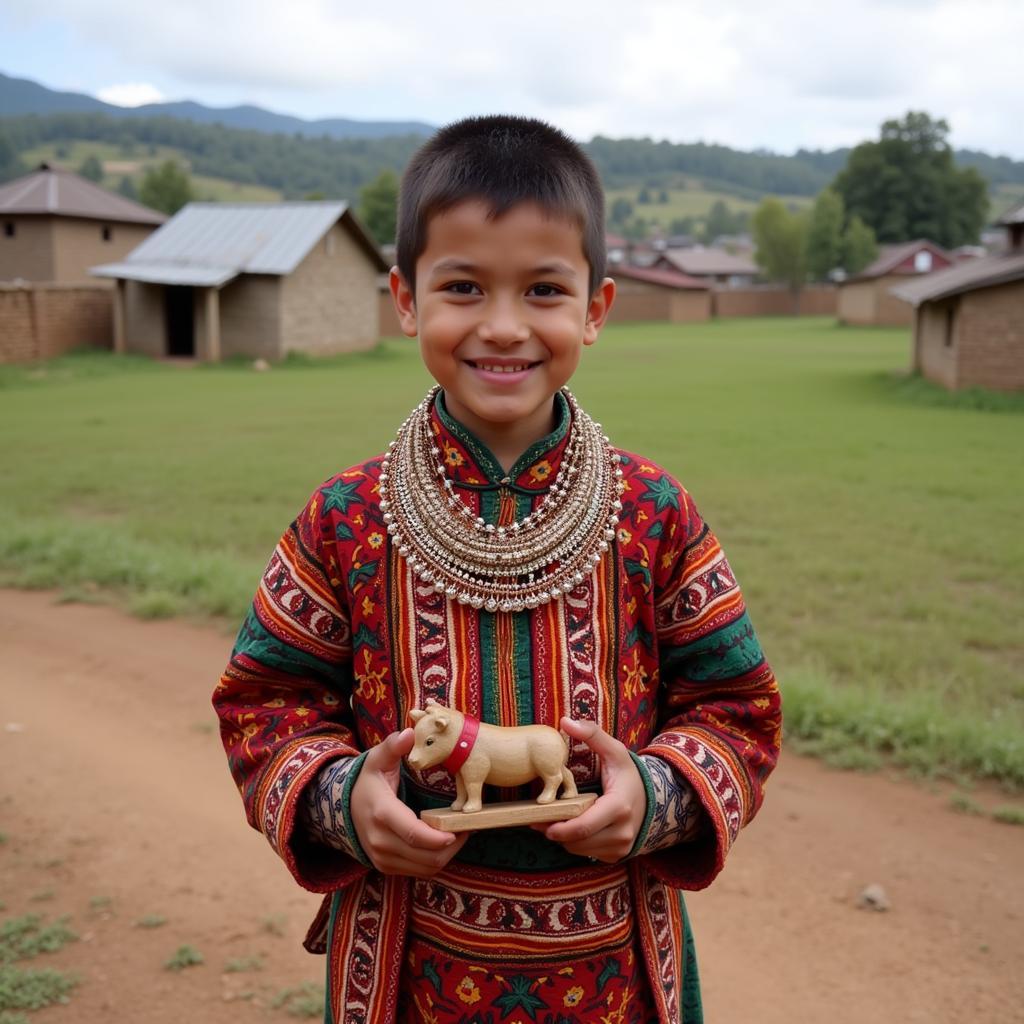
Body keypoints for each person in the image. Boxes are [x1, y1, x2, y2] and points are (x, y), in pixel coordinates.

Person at [213, 115, 781, 1024]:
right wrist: (341, 798)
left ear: (595, 309)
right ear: (405, 299)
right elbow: (264, 703)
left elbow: (736, 707)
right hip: (407, 967)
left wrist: (660, 792)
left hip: (618, 974)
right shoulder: (344, 519)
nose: (505, 326)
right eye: (465, 287)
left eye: (545, 289)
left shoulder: (656, 513)